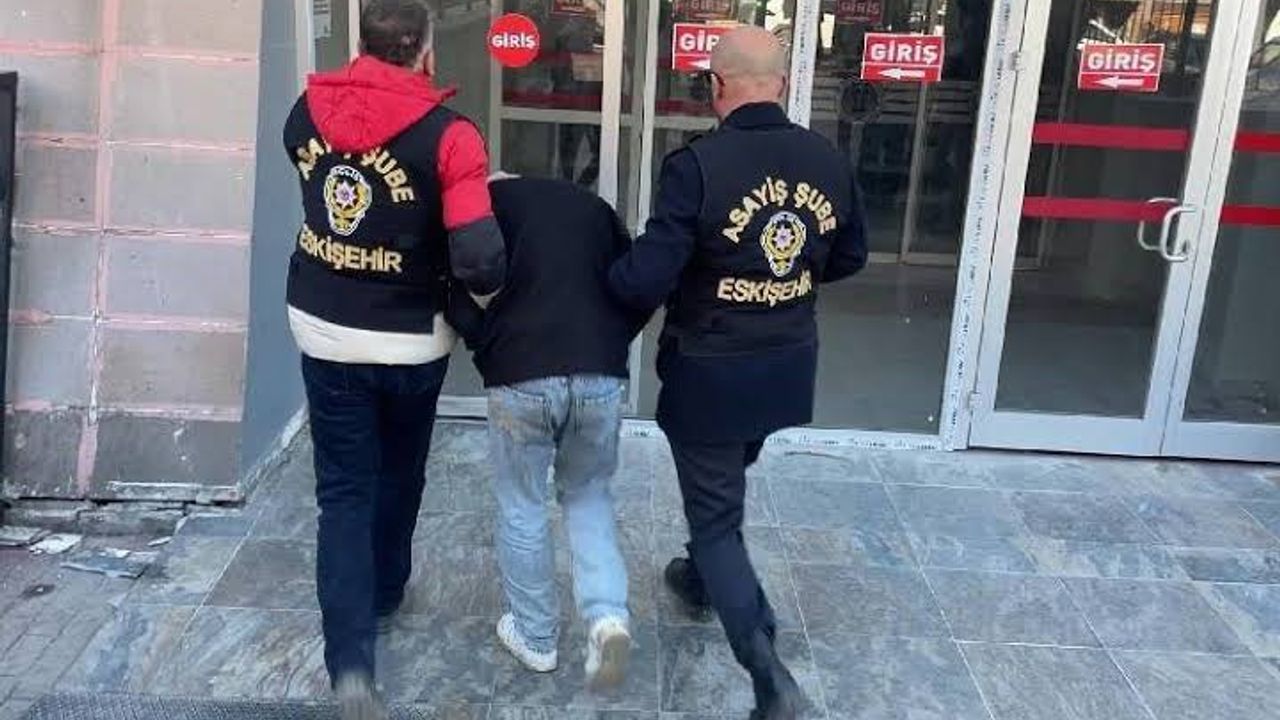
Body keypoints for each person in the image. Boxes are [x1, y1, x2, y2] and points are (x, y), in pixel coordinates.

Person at [608, 27, 868, 720]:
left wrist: (599, 277)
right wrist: (782, 282)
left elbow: (646, 278)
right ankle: (701, 576)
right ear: (781, 83)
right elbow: (849, 257)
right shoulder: (827, 159)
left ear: (716, 86)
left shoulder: (697, 166)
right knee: (722, 486)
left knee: (717, 517)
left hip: (712, 371)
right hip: (785, 364)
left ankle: (767, 672)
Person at [282, 1, 505, 717]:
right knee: (400, 471)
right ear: (425, 53)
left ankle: (351, 665)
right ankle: (383, 591)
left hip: (322, 323)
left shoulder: (305, 111)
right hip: (411, 338)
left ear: (364, 45)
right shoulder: (451, 136)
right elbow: (479, 259)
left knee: (343, 493)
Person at [450, 172, 645, 689]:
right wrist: (612, 342)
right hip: (599, 371)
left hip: (522, 373)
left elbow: (452, 289)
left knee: (523, 504)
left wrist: (486, 342)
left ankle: (536, 638)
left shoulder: (481, 209)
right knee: (589, 496)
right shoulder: (594, 209)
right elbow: (638, 282)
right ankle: (608, 619)